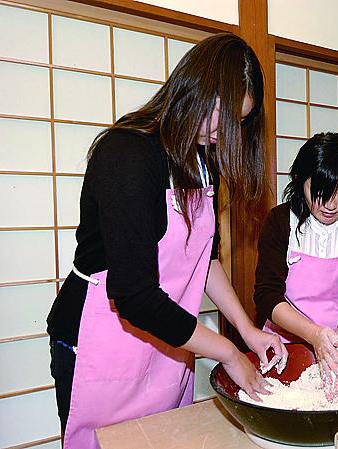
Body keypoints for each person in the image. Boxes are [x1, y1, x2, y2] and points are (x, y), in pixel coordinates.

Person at [46, 33, 287, 449]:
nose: (222, 131)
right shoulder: (126, 154)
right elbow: (134, 295)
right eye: (221, 113)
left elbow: (205, 262)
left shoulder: (201, 160)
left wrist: (246, 331)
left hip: (169, 338)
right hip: (103, 340)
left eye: (238, 122)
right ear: (193, 85)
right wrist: (227, 352)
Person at [254, 132, 338, 393]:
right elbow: (267, 295)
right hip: (282, 345)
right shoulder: (279, 221)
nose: (331, 205)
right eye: (320, 192)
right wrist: (313, 335)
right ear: (301, 181)